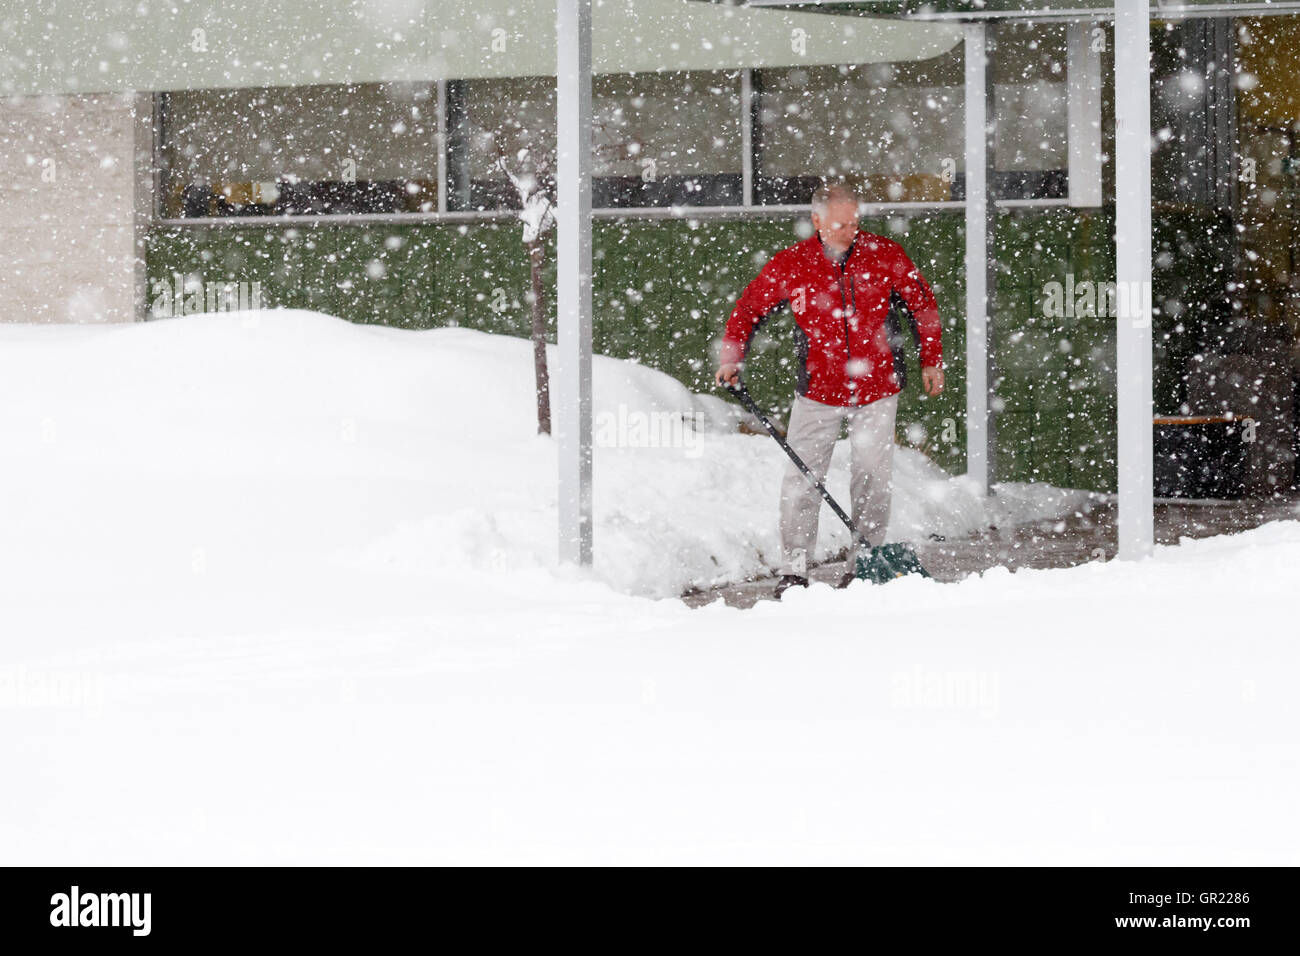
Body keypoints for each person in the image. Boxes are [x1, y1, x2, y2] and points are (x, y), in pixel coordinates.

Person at [715, 180, 944, 598]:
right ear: (816, 221)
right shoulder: (792, 264)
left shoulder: (885, 256)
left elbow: (922, 304)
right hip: (818, 392)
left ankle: (865, 565)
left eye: (854, 223)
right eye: (840, 225)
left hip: (877, 388)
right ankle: (795, 570)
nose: (849, 232)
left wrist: (932, 359)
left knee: (873, 477)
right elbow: (749, 308)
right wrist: (732, 357)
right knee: (802, 479)